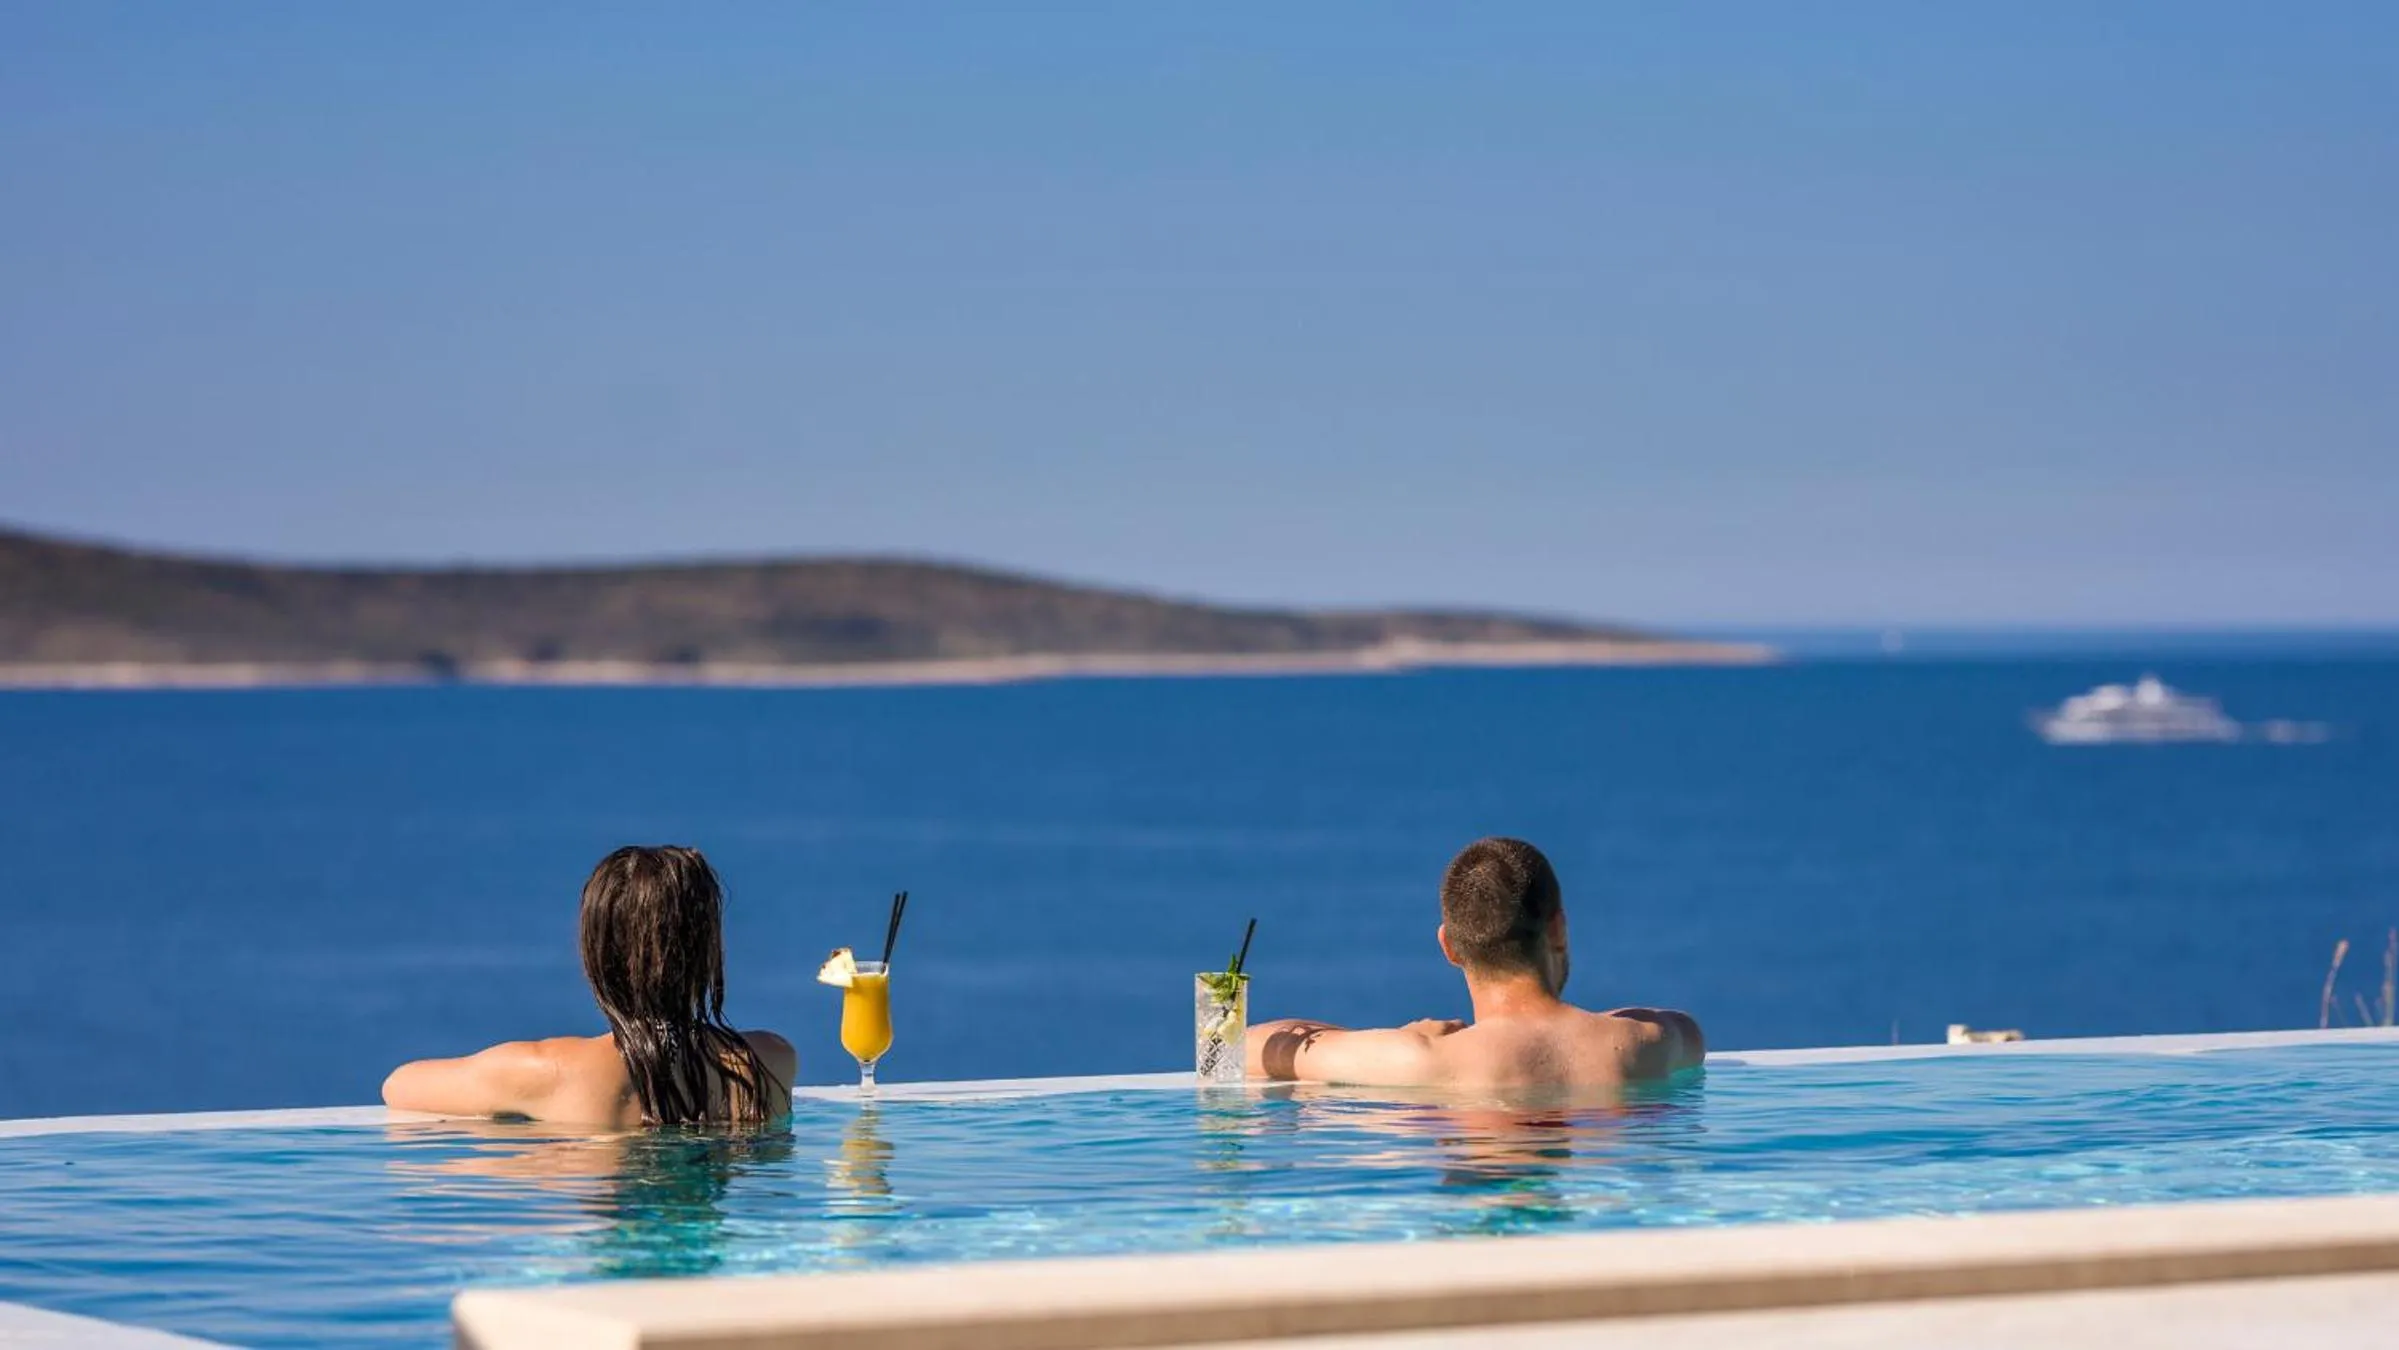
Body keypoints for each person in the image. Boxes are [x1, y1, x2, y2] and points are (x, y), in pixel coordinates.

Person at [382, 845, 794, 1127]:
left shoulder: (548, 1072)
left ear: (599, 954)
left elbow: (398, 1085)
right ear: (708, 951)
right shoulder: (772, 1062)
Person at [1245, 837, 1702, 1087]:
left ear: (1449, 947)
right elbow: (1691, 1033)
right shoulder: (1648, 1040)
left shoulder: (1423, 1061)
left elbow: (1239, 1048)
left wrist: (1400, 1038)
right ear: (1558, 928)